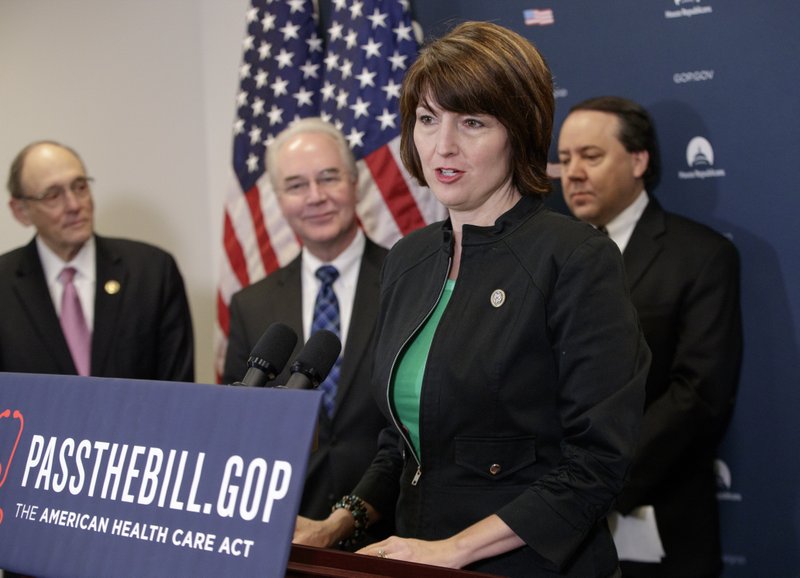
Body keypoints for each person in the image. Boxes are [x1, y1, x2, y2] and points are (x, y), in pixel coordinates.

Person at [293, 22, 650, 577]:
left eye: (473, 123)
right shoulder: (408, 260)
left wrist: (452, 551)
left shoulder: (576, 258)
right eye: (428, 120)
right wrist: (338, 523)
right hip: (414, 558)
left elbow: (597, 464)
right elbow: (401, 442)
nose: (443, 146)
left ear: (520, 131)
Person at [558, 96, 743, 578]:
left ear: (638, 160)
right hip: (548, 533)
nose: (573, 172)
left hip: (660, 527)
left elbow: (699, 395)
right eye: (563, 159)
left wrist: (594, 481)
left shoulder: (701, 256)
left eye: (590, 156)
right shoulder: (545, 258)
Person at [222, 118, 391, 547]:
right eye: (296, 185)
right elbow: (240, 432)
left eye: (328, 178)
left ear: (355, 182)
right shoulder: (250, 304)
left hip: (393, 533)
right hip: (288, 537)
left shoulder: (408, 280)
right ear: (278, 199)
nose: (315, 197)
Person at [0, 140, 194, 382]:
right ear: (21, 211)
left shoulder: (152, 272)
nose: (74, 205)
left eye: (79, 187)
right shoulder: (4, 284)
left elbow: (178, 393)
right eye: (53, 195)